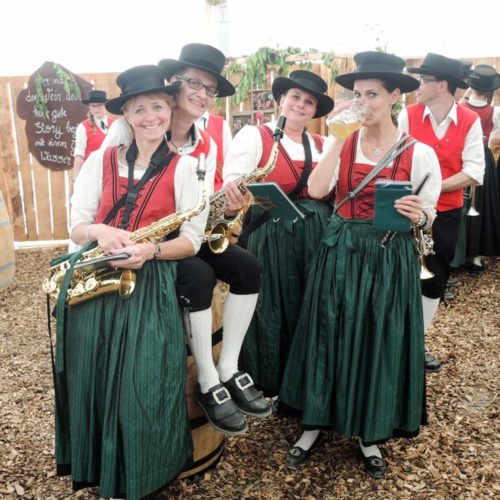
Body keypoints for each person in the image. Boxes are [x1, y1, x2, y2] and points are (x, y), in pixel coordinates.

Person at [279, 52, 441, 478]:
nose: (363, 102)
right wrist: (336, 137)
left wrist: (418, 214)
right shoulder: (345, 142)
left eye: (372, 94)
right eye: (358, 94)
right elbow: (316, 189)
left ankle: (369, 432)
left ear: (393, 97)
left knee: (376, 337)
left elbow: (430, 214)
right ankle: (313, 423)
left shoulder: (419, 152)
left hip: (389, 255)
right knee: (327, 334)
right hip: (341, 249)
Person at [103, 43, 271, 434]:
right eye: (195, 83)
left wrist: (228, 210)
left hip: (187, 233)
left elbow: (198, 208)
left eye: (210, 89)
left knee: (248, 266)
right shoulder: (133, 127)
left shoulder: (208, 141)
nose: (202, 95)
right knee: (197, 274)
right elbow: (109, 185)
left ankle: (229, 366)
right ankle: (208, 380)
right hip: (141, 236)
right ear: (174, 85)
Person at [54, 65, 205, 499]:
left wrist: (150, 250)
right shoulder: (103, 158)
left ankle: (143, 475)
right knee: (94, 379)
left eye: (158, 106)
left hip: (147, 286)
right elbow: (77, 224)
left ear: (169, 108)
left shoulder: (185, 167)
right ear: (128, 116)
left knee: (143, 384)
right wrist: (100, 232)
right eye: (140, 109)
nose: (151, 117)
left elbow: (191, 241)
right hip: (96, 283)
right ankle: (104, 471)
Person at [223, 70, 334, 397]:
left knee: (307, 304)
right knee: (270, 305)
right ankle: (268, 379)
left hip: (314, 236)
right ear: (281, 100)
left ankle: (302, 382)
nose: (301, 105)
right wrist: (238, 191)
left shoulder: (323, 143)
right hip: (269, 233)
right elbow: (234, 181)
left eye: (309, 101)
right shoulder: (254, 137)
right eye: (295, 97)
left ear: (315, 110)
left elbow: (331, 187)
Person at [399, 53, 485, 372]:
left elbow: (475, 171)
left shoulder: (469, 121)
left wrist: (432, 189)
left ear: (442, 85)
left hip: (446, 214)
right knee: (400, 276)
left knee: (434, 280)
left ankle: (416, 343)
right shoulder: (407, 116)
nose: (418, 87)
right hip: (406, 212)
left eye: (424, 81)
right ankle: (394, 339)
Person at [455, 65, 500, 272]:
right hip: (483, 157)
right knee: (482, 204)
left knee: (459, 203)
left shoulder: (459, 107)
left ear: (472, 85)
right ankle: (475, 257)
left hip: (462, 157)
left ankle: (457, 252)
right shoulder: (494, 112)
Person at [73, 90, 113, 178]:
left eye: (99, 105)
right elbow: (79, 155)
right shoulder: (83, 127)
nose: (96, 109)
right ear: (89, 107)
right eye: (93, 105)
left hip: (111, 174)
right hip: (91, 175)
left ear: (105, 105)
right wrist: (75, 179)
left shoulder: (114, 125)